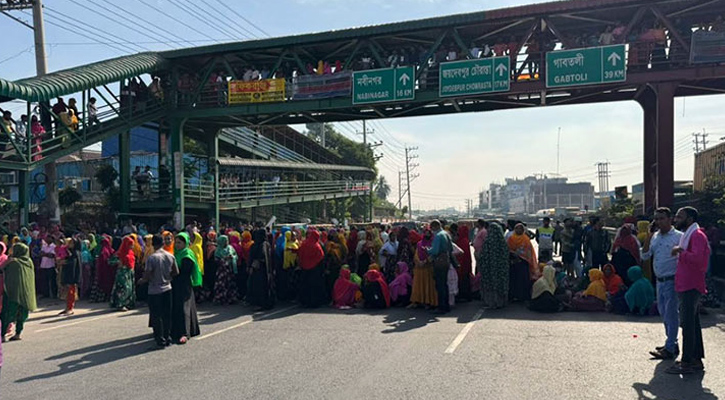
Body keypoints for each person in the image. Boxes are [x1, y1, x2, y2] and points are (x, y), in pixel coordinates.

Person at [666, 207, 710, 374]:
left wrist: (680, 251)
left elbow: (698, 260)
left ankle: (687, 362)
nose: (676, 219)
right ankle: (695, 359)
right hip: (686, 283)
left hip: (691, 285)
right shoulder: (689, 234)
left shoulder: (697, 236)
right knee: (692, 324)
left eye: (680, 216)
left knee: (687, 325)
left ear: (690, 219)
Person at [641, 208, 682, 363]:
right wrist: (648, 235)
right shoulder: (655, 237)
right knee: (663, 312)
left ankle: (670, 347)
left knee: (671, 314)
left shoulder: (679, 237)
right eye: (656, 219)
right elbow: (645, 255)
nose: (659, 222)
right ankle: (672, 342)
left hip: (672, 280)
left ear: (670, 219)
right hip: (659, 280)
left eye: (662, 218)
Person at [138, 234, 177, 349]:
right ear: (163, 243)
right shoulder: (170, 256)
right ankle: (167, 336)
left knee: (156, 316)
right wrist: (167, 277)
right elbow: (175, 272)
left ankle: (160, 340)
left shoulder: (152, 258)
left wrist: (142, 281)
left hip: (155, 290)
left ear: (152, 244)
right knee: (166, 314)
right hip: (167, 288)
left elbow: (148, 274)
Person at [1, 243, 36, 341]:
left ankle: (2, 335)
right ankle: (18, 333)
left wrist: (6, 263)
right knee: (22, 314)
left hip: (13, 293)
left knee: (7, 314)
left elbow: (1, 270)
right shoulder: (29, 262)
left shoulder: (13, 262)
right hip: (26, 294)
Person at [172, 233, 202, 344]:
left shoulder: (187, 254)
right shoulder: (176, 253)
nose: (177, 245)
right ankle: (179, 330)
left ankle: (185, 333)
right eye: (176, 242)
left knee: (184, 307)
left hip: (184, 284)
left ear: (185, 243)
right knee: (177, 306)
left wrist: (173, 272)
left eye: (179, 243)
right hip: (176, 283)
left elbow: (184, 272)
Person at [479, 223, 509, 309]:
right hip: (501, 269)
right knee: (500, 284)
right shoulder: (503, 242)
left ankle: (492, 303)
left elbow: (483, 255)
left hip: (489, 268)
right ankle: (501, 302)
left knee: (490, 284)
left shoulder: (488, 241)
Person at [507, 223, 538, 301]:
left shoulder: (525, 239)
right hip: (513, 262)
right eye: (517, 228)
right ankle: (513, 295)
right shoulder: (511, 238)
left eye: (520, 229)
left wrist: (520, 255)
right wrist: (513, 254)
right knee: (513, 279)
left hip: (523, 262)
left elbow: (528, 251)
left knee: (523, 280)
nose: (518, 230)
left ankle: (522, 296)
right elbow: (507, 249)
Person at [428, 220, 453, 314]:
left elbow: (434, 251)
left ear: (434, 227)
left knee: (439, 285)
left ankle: (441, 307)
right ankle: (446, 306)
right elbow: (450, 248)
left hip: (439, 262)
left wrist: (428, 250)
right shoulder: (446, 234)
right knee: (444, 284)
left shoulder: (438, 236)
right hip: (446, 260)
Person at [408, 229, 437, 309]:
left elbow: (433, 255)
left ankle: (428, 302)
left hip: (428, 268)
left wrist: (425, 261)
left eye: (429, 234)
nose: (427, 235)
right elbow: (416, 254)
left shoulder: (433, 244)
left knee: (428, 286)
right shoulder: (419, 243)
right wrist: (419, 262)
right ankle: (417, 301)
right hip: (419, 268)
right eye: (426, 234)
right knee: (417, 285)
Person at [297, 229, 326, 308]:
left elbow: (300, 254)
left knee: (305, 285)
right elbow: (321, 257)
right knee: (314, 287)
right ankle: (314, 302)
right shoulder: (317, 246)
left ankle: (305, 301)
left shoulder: (304, 243)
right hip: (315, 269)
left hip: (304, 268)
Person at [110, 236, 136, 311]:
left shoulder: (131, 252)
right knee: (123, 289)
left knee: (130, 289)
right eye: (130, 244)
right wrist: (118, 262)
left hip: (130, 272)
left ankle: (129, 303)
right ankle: (120, 304)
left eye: (132, 244)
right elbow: (110, 261)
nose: (132, 246)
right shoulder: (120, 253)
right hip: (122, 273)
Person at [213, 235, 238, 305]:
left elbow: (235, 255)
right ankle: (221, 299)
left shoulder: (230, 248)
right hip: (222, 271)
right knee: (221, 285)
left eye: (227, 241)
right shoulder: (218, 250)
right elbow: (216, 260)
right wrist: (225, 258)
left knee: (230, 284)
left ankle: (231, 299)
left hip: (230, 269)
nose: (227, 242)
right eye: (225, 241)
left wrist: (232, 257)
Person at [89, 235, 115, 302]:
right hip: (106, 270)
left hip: (100, 270)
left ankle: (97, 299)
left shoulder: (102, 251)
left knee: (99, 284)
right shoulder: (107, 250)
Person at [59, 238, 82, 316]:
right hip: (68, 275)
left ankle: (70, 308)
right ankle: (67, 308)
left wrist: (64, 262)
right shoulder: (71, 252)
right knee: (67, 293)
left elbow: (73, 264)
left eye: (71, 243)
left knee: (71, 293)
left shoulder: (76, 253)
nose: (69, 244)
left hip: (72, 276)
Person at [455, 225, 473, 302]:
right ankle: (467, 296)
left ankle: (463, 295)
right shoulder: (466, 241)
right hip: (466, 263)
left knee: (462, 280)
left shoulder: (462, 241)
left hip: (462, 263)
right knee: (466, 279)